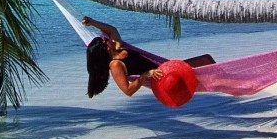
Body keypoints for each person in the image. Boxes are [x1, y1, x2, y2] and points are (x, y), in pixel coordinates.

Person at [81, 16, 214, 99]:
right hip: (164, 76)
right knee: (206, 61)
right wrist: (145, 75)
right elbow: (128, 91)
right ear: (106, 48)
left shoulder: (118, 46)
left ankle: (226, 84)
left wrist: (92, 22)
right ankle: (226, 83)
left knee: (206, 62)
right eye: (105, 41)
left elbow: (112, 30)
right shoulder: (115, 65)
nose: (107, 39)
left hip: (166, 67)